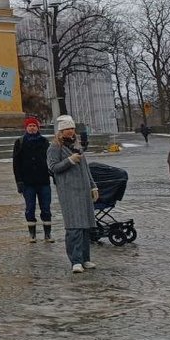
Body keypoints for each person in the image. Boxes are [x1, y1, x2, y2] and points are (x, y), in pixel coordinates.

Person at [46, 116, 98, 274]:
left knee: (85, 226)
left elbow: (85, 169)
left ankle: (85, 258)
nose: (70, 131)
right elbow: (53, 167)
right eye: (67, 129)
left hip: (83, 190)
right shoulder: (55, 147)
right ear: (61, 131)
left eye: (72, 128)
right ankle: (75, 260)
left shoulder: (77, 146)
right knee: (74, 226)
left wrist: (93, 186)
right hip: (69, 191)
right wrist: (69, 160)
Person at [13, 117, 54, 243]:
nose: (32, 128)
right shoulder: (20, 142)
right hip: (27, 182)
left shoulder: (44, 141)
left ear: (38, 128)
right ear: (26, 128)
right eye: (30, 126)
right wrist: (19, 181)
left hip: (43, 180)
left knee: (46, 207)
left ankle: (47, 234)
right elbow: (16, 163)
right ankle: (32, 234)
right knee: (30, 208)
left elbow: (50, 160)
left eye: (34, 126)